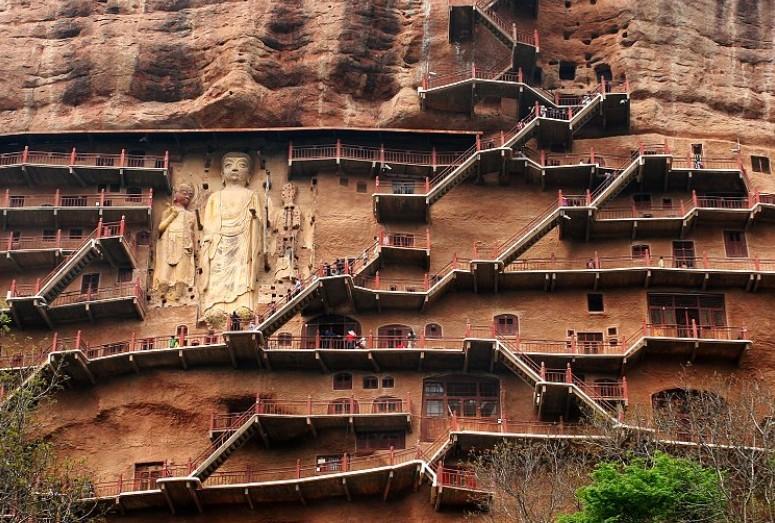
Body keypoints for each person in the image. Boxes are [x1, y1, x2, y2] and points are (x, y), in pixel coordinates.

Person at [198, 152, 262, 320]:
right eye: (228, 165)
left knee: (242, 270)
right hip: (219, 240)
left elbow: (259, 221)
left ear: (249, 176)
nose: (234, 169)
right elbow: (208, 223)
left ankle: (243, 304)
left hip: (243, 238)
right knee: (217, 271)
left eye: (241, 165)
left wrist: (254, 220)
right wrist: (210, 239)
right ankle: (215, 306)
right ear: (221, 175)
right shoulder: (215, 197)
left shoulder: (252, 195)